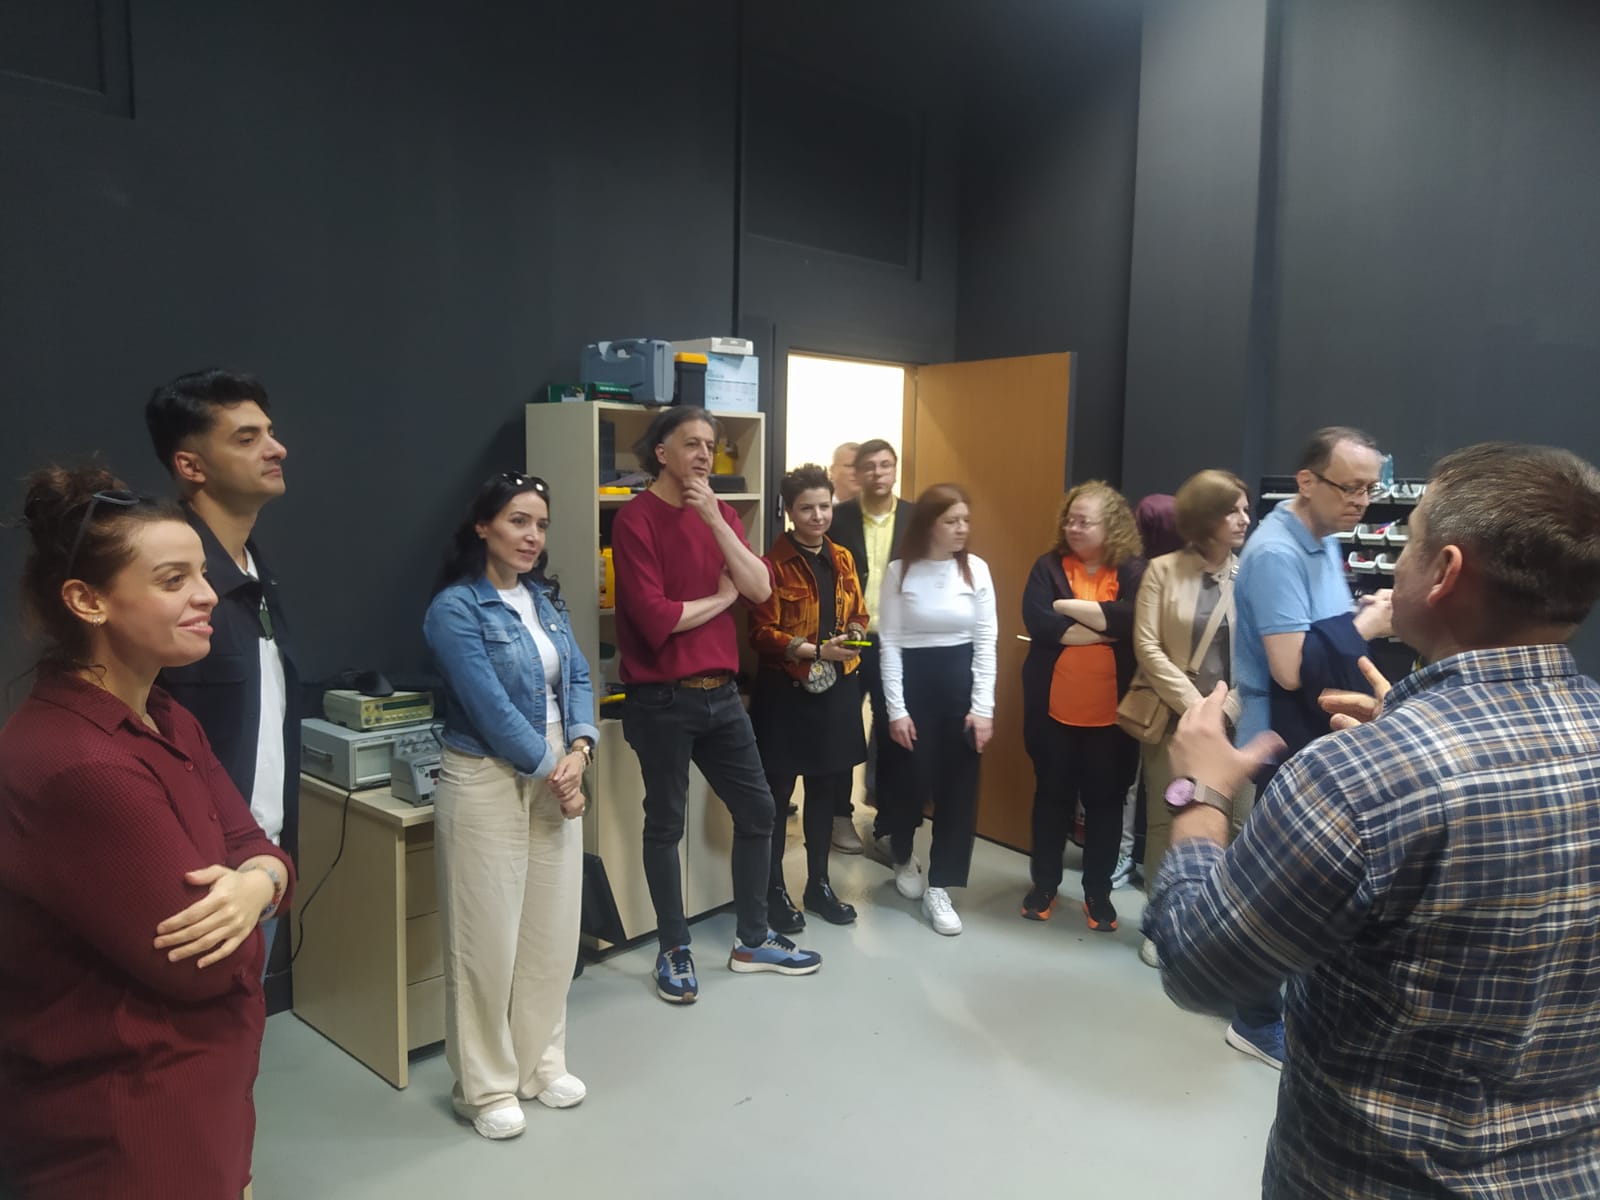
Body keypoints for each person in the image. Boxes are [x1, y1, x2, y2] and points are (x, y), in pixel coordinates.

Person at [1146, 442, 1600, 1199]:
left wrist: (1200, 794)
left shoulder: (1355, 781)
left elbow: (1198, 967)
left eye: (1411, 541)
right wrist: (1413, 737)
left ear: (1444, 571)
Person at [0, 465, 294, 1198]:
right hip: (128, 1120)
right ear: (87, 600)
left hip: (198, 1092)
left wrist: (256, 884)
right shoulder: (81, 764)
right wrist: (263, 891)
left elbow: (257, 848)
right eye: (173, 579)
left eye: (202, 573)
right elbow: (205, 967)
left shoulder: (165, 715)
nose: (208, 595)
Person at [612, 407, 820, 1004]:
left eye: (711, 445)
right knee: (665, 825)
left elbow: (761, 589)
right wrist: (721, 599)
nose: (705, 455)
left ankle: (752, 939)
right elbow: (657, 619)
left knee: (759, 811)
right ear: (662, 453)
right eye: (692, 444)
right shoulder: (634, 520)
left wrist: (713, 518)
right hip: (660, 699)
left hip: (722, 696)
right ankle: (673, 947)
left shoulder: (720, 513)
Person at [422, 473, 598, 1141]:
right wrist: (559, 773)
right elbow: (490, 707)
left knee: (551, 933)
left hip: (557, 765)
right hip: (486, 778)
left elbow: (577, 674)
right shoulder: (455, 609)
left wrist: (580, 748)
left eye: (541, 525)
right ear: (483, 526)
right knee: (485, 941)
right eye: (518, 521)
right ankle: (485, 1087)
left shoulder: (545, 599)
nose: (532, 536)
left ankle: (540, 1065)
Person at [146, 369, 298, 978]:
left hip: (261, 861)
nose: (276, 448)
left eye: (270, 432)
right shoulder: (166, 582)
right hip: (195, 874)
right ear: (191, 465)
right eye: (246, 438)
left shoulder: (255, 567)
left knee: (244, 1022)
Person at [1130, 472, 1251, 970]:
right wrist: (1195, 708)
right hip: (1174, 719)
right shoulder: (1161, 571)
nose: (1244, 520)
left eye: (1245, 510)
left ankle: (1217, 927)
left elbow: (1260, 653)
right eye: (1233, 511)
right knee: (1168, 819)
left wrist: (1227, 710)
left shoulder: (1251, 574)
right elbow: (1147, 646)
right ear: (1205, 518)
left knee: (1237, 823)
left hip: (1237, 722)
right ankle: (1161, 921)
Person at [1019, 482, 1145, 931]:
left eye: (1084, 521)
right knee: (1050, 799)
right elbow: (1041, 623)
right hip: (1053, 713)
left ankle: (1098, 893)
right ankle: (1044, 886)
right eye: (1069, 519)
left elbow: (1136, 620)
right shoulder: (1047, 566)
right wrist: (1106, 626)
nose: (1073, 527)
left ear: (1111, 525)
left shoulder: (1132, 570)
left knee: (1106, 805)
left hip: (1113, 719)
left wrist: (1068, 610)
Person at [749, 464, 869, 929]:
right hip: (786, 691)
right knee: (777, 796)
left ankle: (818, 885)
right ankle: (773, 889)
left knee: (824, 790)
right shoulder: (771, 564)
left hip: (837, 688)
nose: (818, 516)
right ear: (789, 511)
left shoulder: (842, 557)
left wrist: (853, 633)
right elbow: (762, 633)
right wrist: (816, 650)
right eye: (807, 509)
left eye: (824, 506)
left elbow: (859, 611)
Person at [877, 483, 997, 936]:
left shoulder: (976, 570)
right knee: (910, 781)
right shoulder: (899, 573)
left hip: (961, 691)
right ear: (930, 524)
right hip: (914, 690)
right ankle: (902, 851)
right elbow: (890, 643)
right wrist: (896, 709)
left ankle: (940, 885)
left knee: (959, 791)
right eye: (952, 521)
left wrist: (983, 708)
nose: (962, 528)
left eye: (965, 520)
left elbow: (986, 641)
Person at [1234, 426, 1392, 761]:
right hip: (1281, 743)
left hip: (1320, 730)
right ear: (1306, 482)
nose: (1362, 501)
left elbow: (1317, 625)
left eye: (1370, 489)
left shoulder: (1325, 535)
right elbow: (1290, 672)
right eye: (1350, 488)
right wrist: (1366, 626)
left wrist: (1360, 613)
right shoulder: (1276, 553)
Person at [829, 438, 913, 856]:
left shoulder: (916, 518)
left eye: (885, 465)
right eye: (869, 466)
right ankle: (838, 816)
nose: (878, 473)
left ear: (895, 469)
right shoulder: (838, 517)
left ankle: (889, 822)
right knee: (842, 728)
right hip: (849, 640)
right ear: (857, 473)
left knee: (893, 730)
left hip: (896, 643)